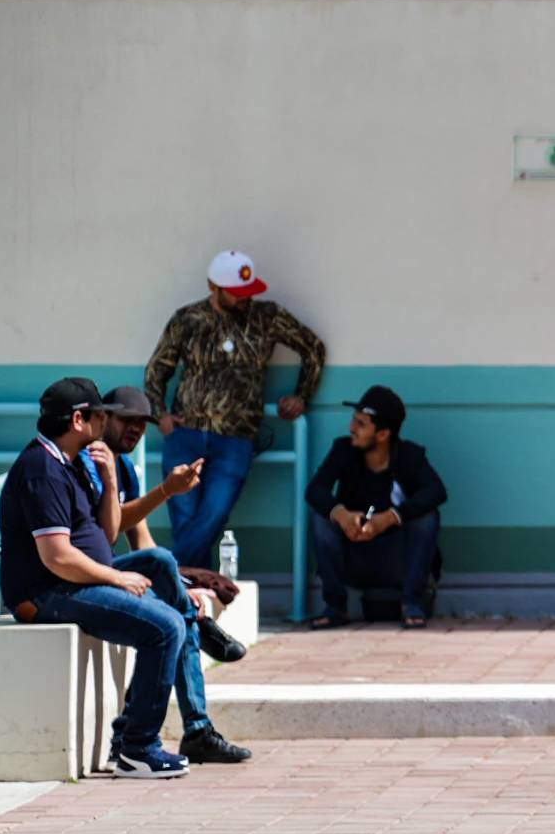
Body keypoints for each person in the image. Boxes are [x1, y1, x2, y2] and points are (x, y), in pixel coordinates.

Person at [0, 379, 189, 778]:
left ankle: (133, 740)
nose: (107, 421)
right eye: (100, 414)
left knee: (170, 613)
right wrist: (116, 579)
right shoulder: (41, 470)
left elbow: (105, 535)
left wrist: (111, 480)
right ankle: (138, 748)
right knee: (164, 627)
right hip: (46, 593)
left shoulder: (71, 463)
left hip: (75, 583)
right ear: (78, 420)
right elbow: (57, 557)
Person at [87, 387, 255, 764]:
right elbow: (108, 531)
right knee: (174, 612)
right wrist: (165, 491)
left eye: (142, 423)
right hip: (87, 573)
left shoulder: (123, 466)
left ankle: (193, 729)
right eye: (127, 420)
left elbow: (141, 538)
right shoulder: (91, 460)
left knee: (177, 612)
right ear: (103, 418)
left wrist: (177, 587)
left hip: (111, 570)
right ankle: (190, 730)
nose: (135, 429)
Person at [144, 250, 326, 569]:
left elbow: (313, 349)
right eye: (236, 293)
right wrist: (160, 415)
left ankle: (166, 572)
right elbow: (156, 370)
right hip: (186, 434)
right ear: (213, 286)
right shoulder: (188, 319)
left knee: (214, 513)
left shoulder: (267, 316)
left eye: (248, 292)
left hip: (236, 437)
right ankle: (192, 592)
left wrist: (301, 395)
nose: (245, 299)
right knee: (185, 517)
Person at [305, 385, 448, 630]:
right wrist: (342, 515)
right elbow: (315, 489)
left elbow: (437, 491)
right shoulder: (344, 450)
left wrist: (389, 518)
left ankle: (411, 603)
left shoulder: (409, 456)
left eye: (361, 424)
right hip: (355, 554)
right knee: (321, 518)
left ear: (382, 434)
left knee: (428, 517)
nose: (352, 428)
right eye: (354, 420)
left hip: (397, 559)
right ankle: (335, 606)